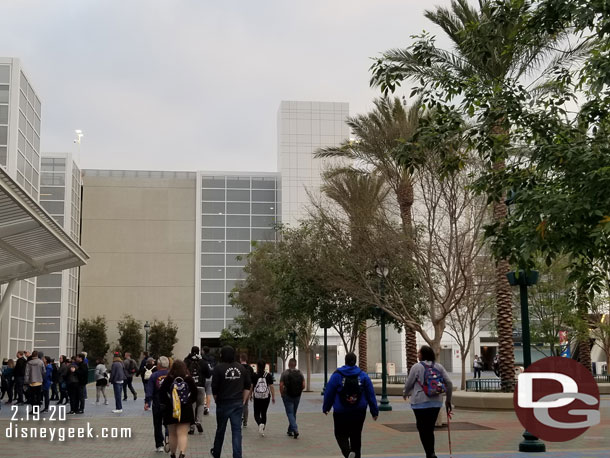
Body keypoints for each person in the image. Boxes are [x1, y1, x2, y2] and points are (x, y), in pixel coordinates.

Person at [323, 352, 378, 458]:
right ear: (355, 361)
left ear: (345, 361)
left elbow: (329, 392)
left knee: (340, 434)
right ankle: (355, 455)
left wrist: (326, 407)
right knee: (356, 436)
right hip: (359, 411)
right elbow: (371, 394)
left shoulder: (337, 375)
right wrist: (374, 411)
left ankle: (348, 453)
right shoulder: (363, 375)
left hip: (341, 411)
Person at [403, 345, 453, 458]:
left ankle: (429, 453)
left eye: (418, 353)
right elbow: (449, 383)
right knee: (430, 429)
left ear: (423, 354)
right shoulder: (439, 366)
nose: (417, 355)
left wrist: (405, 393)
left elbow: (409, 382)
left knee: (422, 428)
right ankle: (431, 453)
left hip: (419, 403)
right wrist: (448, 400)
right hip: (436, 403)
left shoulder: (416, 367)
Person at [210, 345, 251, 458]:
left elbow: (214, 388)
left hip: (223, 402)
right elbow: (248, 385)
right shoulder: (242, 368)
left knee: (220, 430)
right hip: (237, 403)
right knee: (237, 431)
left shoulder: (218, 368)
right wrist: (243, 400)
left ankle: (217, 452)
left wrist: (216, 400)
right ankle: (237, 455)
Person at [158, 360, 197, 458]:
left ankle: (173, 454)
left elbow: (162, 394)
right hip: (185, 410)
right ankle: (182, 453)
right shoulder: (189, 379)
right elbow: (195, 394)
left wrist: (169, 403)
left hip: (171, 409)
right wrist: (188, 402)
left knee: (172, 434)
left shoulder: (169, 379)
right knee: (183, 434)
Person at [145, 356, 170, 453]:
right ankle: (168, 438)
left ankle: (159, 444)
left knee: (157, 424)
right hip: (169, 403)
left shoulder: (154, 375)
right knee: (168, 423)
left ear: (158, 365)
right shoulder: (171, 375)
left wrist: (147, 402)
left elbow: (149, 390)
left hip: (157, 403)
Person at [184, 346, 211, 435]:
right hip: (201, 386)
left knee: (192, 405)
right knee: (200, 404)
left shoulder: (187, 361)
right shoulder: (203, 362)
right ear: (199, 352)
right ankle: (198, 421)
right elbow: (208, 374)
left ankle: (191, 426)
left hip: (190, 386)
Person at [280, 357, 305, 438]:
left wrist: (282, 394)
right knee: (293, 413)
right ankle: (290, 430)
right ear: (295, 364)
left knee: (290, 413)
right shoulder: (300, 373)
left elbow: (281, 385)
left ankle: (295, 429)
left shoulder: (285, 373)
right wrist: (299, 391)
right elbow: (303, 385)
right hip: (297, 396)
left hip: (287, 395)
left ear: (288, 364)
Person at [251, 359, 275, 436]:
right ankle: (262, 428)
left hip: (257, 397)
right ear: (265, 366)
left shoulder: (254, 375)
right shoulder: (268, 375)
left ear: (257, 366)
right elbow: (271, 387)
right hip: (266, 397)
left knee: (256, 414)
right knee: (264, 413)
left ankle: (259, 423)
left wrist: (250, 395)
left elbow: (251, 386)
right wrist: (273, 396)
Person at [238, 353, 254, 427]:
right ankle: (245, 421)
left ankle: (239, 417)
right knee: (246, 405)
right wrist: (251, 392)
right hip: (247, 388)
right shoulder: (250, 368)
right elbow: (252, 380)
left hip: (239, 388)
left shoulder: (238, 367)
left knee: (238, 403)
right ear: (246, 359)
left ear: (240, 359)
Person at [201, 346, 216, 415]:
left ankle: (203, 405)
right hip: (211, 376)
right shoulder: (212, 358)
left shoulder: (202, 358)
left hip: (203, 376)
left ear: (203, 351)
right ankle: (208, 407)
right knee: (209, 392)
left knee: (203, 391)